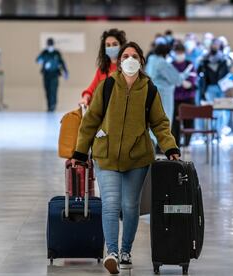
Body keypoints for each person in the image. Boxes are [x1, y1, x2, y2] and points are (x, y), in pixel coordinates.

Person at [71, 42, 180, 274]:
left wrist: (170, 147)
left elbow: (160, 123)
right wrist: (80, 152)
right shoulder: (107, 85)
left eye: (134, 56)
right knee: (110, 204)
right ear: (119, 62)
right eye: (126, 56)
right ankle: (111, 252)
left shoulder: (149, 89)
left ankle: (125, 251)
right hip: (106, 155)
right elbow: (91, 120)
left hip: (137, 158)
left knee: (130, 207)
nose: (130, 60)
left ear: (141, 61)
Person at [146, 43, 191, 126]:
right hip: (163, 95)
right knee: (164, 120)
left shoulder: (151, 59)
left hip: (151, 93)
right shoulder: (162, 63)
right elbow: (176, 79)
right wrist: (185, 74)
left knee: (153, 119)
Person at [79, 29, 127, 106]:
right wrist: (85, 98)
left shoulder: (127, 68)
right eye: (108, 45)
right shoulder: (102, 70)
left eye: (115, 44)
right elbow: (91, 89)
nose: (111, 47)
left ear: (121, 46)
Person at [198, 38, 231, 135]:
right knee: (213, 110)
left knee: (221, 110)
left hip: (221, 87)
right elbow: (200, 72)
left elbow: (227, 74)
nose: (215, 46)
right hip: (209, 87)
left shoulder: (223, 59)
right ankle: (212, 131)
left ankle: (219, 131)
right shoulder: (204, 59)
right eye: (214, 44)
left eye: (217, 45)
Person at [171, 43, 197, 151]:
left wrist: (180, 82)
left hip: (188, 98)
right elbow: (171, 81)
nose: (179, 55)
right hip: (175, 99)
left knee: (189, 121)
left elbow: (190, 83)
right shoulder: (171, 65)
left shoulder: (189, 64)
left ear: (184, 53)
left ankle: (187, 143)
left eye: (181, 53)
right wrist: (182, 82)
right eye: (177, 53)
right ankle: (176, 144)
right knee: (175, 124)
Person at [36, 38, 68, 112]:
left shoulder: (57, 53)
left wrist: (66, 72)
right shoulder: (45, 52)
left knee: (53, 90)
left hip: (54, 75)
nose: (50, 46)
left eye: (51, 44)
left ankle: (53, 106)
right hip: (46, 75)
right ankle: (49, 106)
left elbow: (62, 63)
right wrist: (41, 61)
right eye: (49, 45)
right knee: (47, 90)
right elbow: (38, 60)